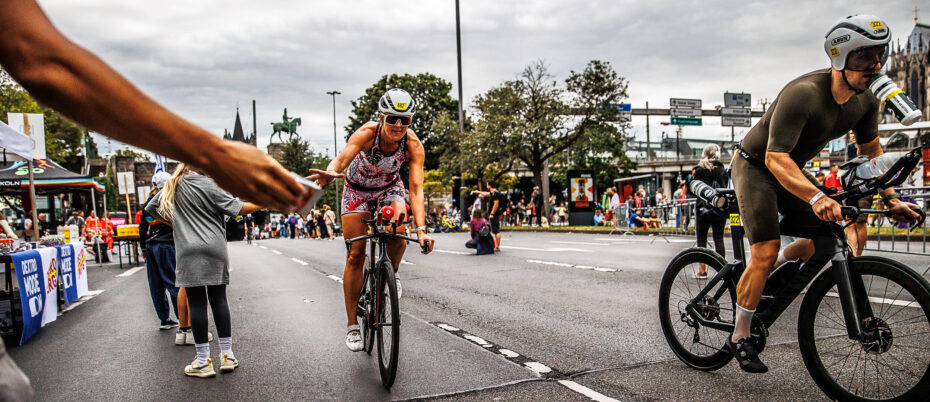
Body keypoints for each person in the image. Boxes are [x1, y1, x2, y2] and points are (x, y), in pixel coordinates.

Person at [727, 15, 920, 373]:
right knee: (765, 250)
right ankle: (740, 335)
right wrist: (817, 197)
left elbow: (872, 154)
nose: (876, 66)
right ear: (841, 58)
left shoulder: (866, 100)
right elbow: (774, 157)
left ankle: (769, 272)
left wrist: (891, 198)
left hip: (791, 169)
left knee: (825, 237)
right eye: (865, 58)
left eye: (881, 55)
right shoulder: (804, 94)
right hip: (757, 165)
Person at [307, 88, 435, 352]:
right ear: (381, 117)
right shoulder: (367, 133)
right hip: (357, 190)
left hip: (389, 188)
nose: (398, 125)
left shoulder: (413, 145)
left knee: (399, 229)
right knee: (355, 254)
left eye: (405, 120)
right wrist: (331, 172)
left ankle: (392, 273)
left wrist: (421, 230)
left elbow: (416, 188)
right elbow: (341, 160)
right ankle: (353, 324)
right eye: (391, 119)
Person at [146, 164, 266, 378]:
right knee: (219, 300)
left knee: (197, 303)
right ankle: (227, 355)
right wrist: (265, 202)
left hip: (187, 249)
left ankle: (203, 361)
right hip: (215, 248)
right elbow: (238, 208)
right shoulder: (211, 185)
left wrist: (176, 222)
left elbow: (151, 208)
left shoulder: (174, 184)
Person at [139, 174, 179, 331]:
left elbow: (142, 228)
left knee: (156, 284)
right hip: (166, 244)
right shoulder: (169, 200)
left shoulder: (148, 203)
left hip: (151, 245)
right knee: (173, 283)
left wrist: (143, 248)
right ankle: (183, 319)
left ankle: (164, 319)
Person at [689, 144, 729, 279]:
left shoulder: (698, 170)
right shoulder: (723, 170)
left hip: (702, 209)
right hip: (719, 208)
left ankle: (702, 271)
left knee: (701, 241)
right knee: (719, 239)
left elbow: (693, 189)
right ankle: (721, 270)